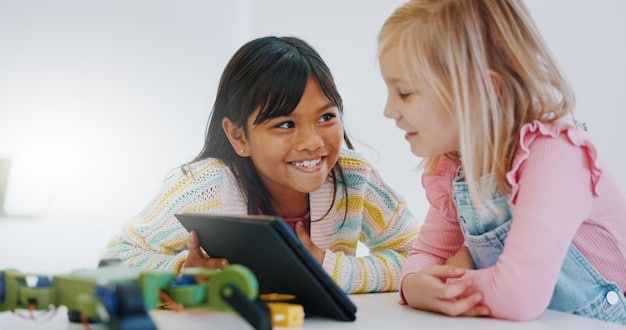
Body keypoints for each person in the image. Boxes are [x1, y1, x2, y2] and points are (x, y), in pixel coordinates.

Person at [101, 36, 420, 294]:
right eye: (284, 124)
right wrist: (182, 271)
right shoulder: (206, 187)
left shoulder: (353, 177)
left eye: (325, 117)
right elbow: (116, 258)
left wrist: (326, 268)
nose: (311, 141)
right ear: (239, 136)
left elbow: (419, 256)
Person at [378, 0, 626, 324]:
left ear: (483, 89)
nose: (388, 110)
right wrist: (414, 285)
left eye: (405, 93)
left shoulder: (556, 156)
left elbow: (517, 295)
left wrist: (446, 282)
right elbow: (427, 255)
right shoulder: (454, 166)